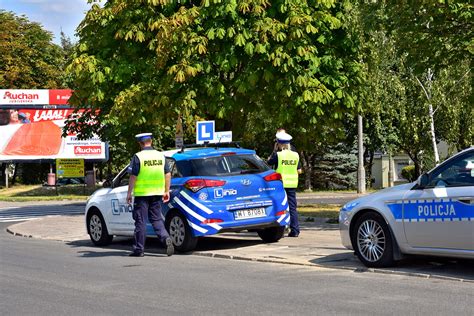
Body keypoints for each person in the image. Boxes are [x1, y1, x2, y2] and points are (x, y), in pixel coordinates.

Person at [126, 133, 174, 257]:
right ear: (151, 142)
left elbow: (133, 176)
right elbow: (167, 174)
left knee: (140, 221)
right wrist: (166, 190)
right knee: (156, 219)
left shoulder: (138, 157)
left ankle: (139, 249)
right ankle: (165, 238)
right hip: (157, 193)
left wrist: (129, 193)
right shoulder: (160, 156)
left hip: (142, 194)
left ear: (140, 143)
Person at [267, 132, 302, 237]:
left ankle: (280, 229)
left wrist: (274, 150)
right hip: (292, 184)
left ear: (278, 143)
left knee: (278, 206)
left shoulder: (278, 155)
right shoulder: (295, 155)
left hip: (280, 184)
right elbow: (299, 170)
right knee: (292, 207)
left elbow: (269, 162)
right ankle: (295, 230)